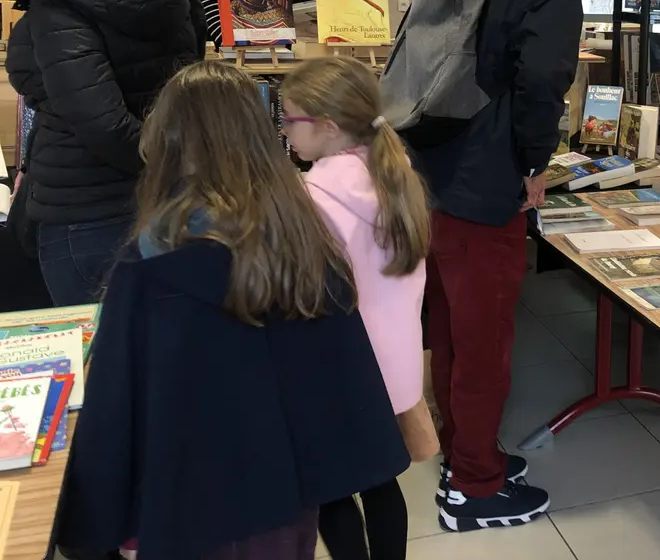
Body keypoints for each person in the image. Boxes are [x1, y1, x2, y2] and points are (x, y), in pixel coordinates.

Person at [53, 61, 410, 559]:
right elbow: (343, 381)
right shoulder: (305, 243)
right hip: (285, 505)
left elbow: (116, 409)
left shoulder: (149, 264)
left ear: (167, 142)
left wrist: (92, 529)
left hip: (187, 510)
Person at [390, 0, 612, 532]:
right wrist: (535, 164)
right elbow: (543, 82)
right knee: (486, 338)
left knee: (454, 327)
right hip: (490, 185)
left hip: (438, 172)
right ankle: (475, 490)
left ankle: (466, 454)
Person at [5, 0, 206, 306]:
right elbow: (189, 77)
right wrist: (168, 159)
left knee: (100, 358)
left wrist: (52, 97)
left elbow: (99, 122)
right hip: (165, 198)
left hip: (86, 207)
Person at [280, 57, 432, 560]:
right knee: (383, 483)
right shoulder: (393, 171)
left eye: (289, 118)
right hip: (395, 364)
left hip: (339, 368)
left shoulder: (313, 196)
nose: (284, 130)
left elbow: (300, 288)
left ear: (326, 127)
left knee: (333, 489)